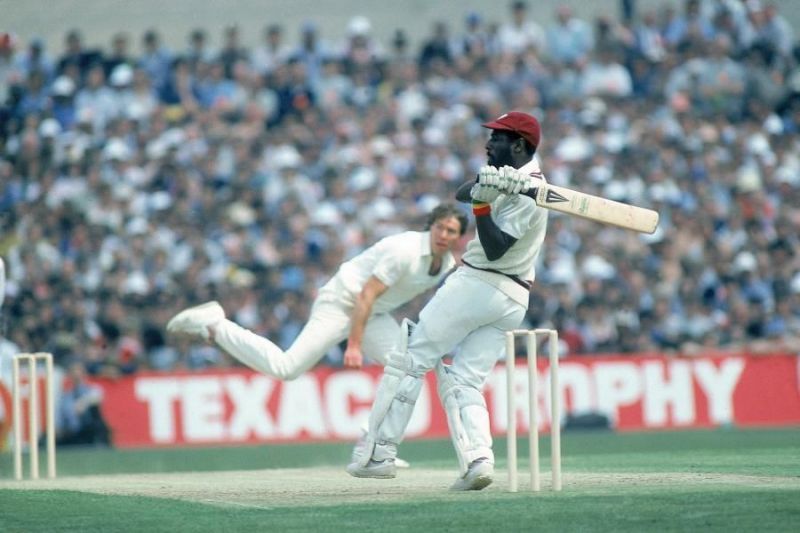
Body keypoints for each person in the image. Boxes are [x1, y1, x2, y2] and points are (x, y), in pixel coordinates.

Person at [165, 203, 468, 463]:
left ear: (458, 237)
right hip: (341, 303)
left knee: (407, 370)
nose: (443, 235)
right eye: (440, 227)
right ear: (430, 227)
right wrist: (354, 345)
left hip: (372, 314)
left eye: (451, 231)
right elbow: (364, 295)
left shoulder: (446, 264)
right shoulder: (405, 251)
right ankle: (214, 325)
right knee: (287, 368)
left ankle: (369, 443)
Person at [346, 111, 548, 490]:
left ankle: (378, 453)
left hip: (481, 282)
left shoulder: (532, 196)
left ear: (519, 145)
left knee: (411, 357)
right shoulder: (510, 177)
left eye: (498, 138)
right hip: (513, 298)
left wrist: (485, 205)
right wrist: (489, 185)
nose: (489, 144)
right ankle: (478, 460)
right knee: (465, 380)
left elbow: (496, 247)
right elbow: (460, 193)